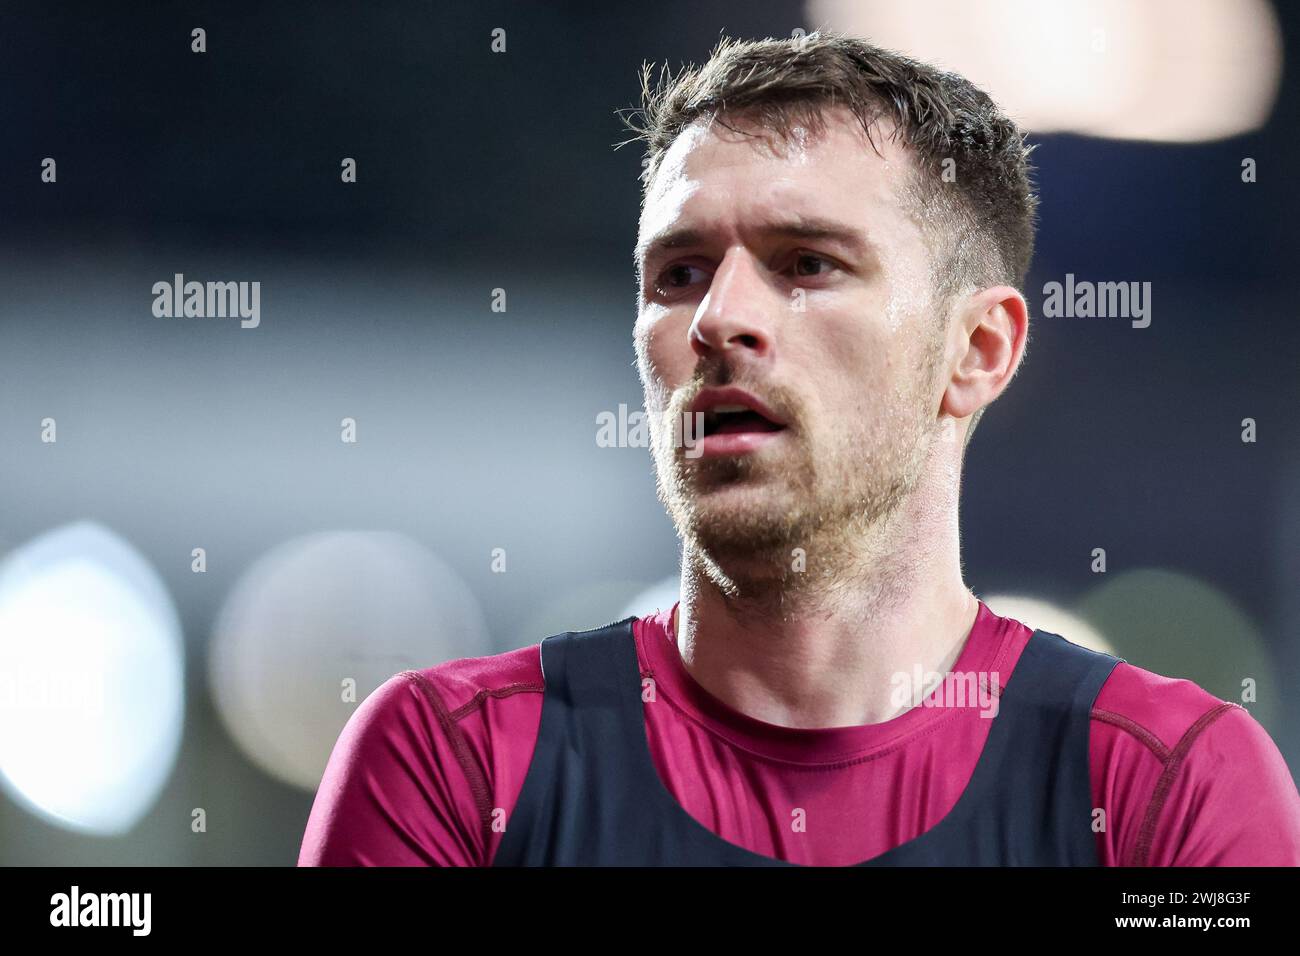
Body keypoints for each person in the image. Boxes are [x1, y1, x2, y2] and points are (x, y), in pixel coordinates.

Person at [299, 32, 1300, 866]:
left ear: (976, 348)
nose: (718, 319)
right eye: (679, 272)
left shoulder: (1162, 787)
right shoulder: (456, 762)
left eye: (807, 263)